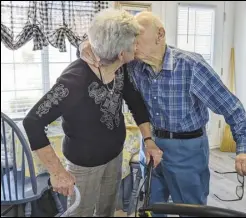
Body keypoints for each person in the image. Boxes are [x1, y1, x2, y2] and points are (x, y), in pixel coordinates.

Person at [80, 11, 246, 216]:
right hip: (151, 146)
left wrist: (244, 148)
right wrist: (84, 46)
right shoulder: (133, 65)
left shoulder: (191, 66)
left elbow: (232, 108)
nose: (132, 43)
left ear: (160, 35)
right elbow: (102, 50)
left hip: (187, 150)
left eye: (137, 36)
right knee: (151, 207)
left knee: (192, 210)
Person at [23, 9, 162, 217]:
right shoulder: (74, 81)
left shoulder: (120, 68)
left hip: (115, 158)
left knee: (107, 212)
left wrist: (148, 139)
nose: (137, 45)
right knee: (81, 214)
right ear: (121, 53)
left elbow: (135, 102)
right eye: (135, 42)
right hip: (83, 165)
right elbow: (32, 122)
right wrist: (58, 172)